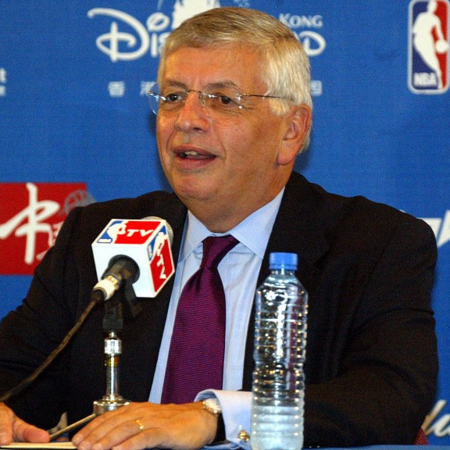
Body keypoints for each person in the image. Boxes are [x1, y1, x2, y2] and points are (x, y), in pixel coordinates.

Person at [0, 6, 438, 450]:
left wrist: (215, 417)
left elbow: (390, 398)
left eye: (222, 99)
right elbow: (18, 373)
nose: (186, 119)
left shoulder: (374, 244)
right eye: (172, 96)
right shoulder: (98, 234)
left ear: (291, 131)